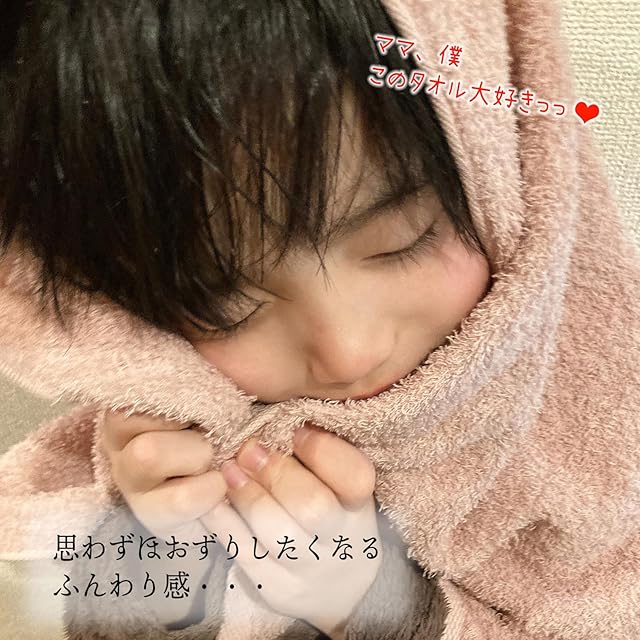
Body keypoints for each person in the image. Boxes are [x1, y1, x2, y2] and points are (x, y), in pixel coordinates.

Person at [0, 0, 489, 637]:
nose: (349, 352)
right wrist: (160, 550)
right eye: (228, 305)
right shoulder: (159, 431)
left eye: (404, 239)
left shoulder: (588, 418)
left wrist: (376, 610)